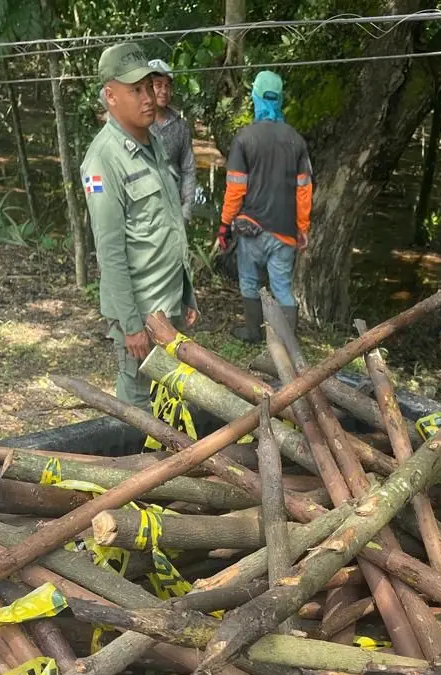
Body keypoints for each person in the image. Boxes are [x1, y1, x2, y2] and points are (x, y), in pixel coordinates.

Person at [81, 43, 198, 408]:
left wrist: (187, 292)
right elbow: (110, 250)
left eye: (149, 87)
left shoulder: (155, 144)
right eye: (136, 90)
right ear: (111, 96)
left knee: (172, 402)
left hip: (169, 306)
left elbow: (167, 224)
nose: (148, 97)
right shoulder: (103, 160)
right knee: (139, 409)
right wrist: (131, 325)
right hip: (143, 315)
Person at [218, 70, 313, 341]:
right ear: (280, 99)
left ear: (255, 98)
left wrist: (225, 224)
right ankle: (287, 343)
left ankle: (253, 332)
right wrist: (302, 227)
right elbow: (304, 190)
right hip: (285, 231)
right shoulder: (296, 140)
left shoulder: (244, 139)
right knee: (282, 287)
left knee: (249, 281)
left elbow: (235, 189)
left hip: (252, 230)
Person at [148, 58, 197, 223]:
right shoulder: (137, 124)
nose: (163, 90)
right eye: (157, 85)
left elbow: (188, 168)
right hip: (144, 214)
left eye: (167, 85)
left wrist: (187, 209)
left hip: (173, 211)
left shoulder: (180, 126)